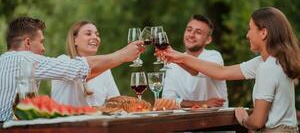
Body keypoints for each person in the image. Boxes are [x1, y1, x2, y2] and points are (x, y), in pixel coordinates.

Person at [159, 7, 300, 132]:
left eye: (250, 29)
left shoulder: (267, 67)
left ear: (263, 33)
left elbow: (257, 122)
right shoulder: (267, 62)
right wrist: (179, 57)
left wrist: (244, 119)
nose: (247, 35)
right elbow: (222, 72)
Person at [0, 17, 143, 121]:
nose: (44, 49)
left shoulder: (4, 60)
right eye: (41, 42)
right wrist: (123, 55)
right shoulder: (26, 59)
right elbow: (79, 68)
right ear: (28, 42)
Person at [162, 15, 228, 108]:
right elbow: (167, 100)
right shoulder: (173, 64)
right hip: (185, 120)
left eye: (198, 32)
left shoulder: (214, 56)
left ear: (208, 40)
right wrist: (202, 104)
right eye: (189, 30)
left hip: (216, 119)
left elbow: (196, 71)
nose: (191, 35)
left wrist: (175, 58)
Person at [51, 21, 120, 106]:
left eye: (97, 35)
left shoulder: (105, 70)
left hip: (95, 119)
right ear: (74, 40)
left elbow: (116, 100)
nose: (95, 37)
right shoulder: (63, 61)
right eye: (88, 34)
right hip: (66, 118)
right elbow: (80, 72)